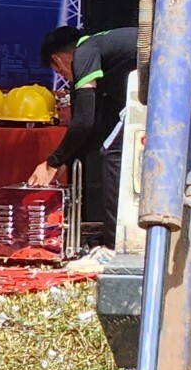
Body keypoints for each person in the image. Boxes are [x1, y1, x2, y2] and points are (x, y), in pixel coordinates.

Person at [27, 22, 137, 242]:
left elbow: (84, 121)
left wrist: (53, 162)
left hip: (162, 86)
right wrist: (65, 159)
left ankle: (113, 243)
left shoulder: (84, 52)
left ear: (57, 60)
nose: (67, 78)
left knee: (113, 155)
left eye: (59, 72)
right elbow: (94, 126)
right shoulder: (102, 47)